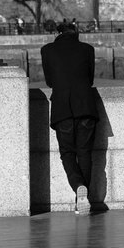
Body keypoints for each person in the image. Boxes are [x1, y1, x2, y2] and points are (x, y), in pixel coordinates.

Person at [40, 20, 99, 215]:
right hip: (86, 106)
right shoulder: (87, 49)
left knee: (67, 153)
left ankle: (78, 186)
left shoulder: (47, 50)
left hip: (62, 108)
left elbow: (50, 81)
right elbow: (90, 79)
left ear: (57, 33)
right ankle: (81, 198)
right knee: (84, 153)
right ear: (76, 33)